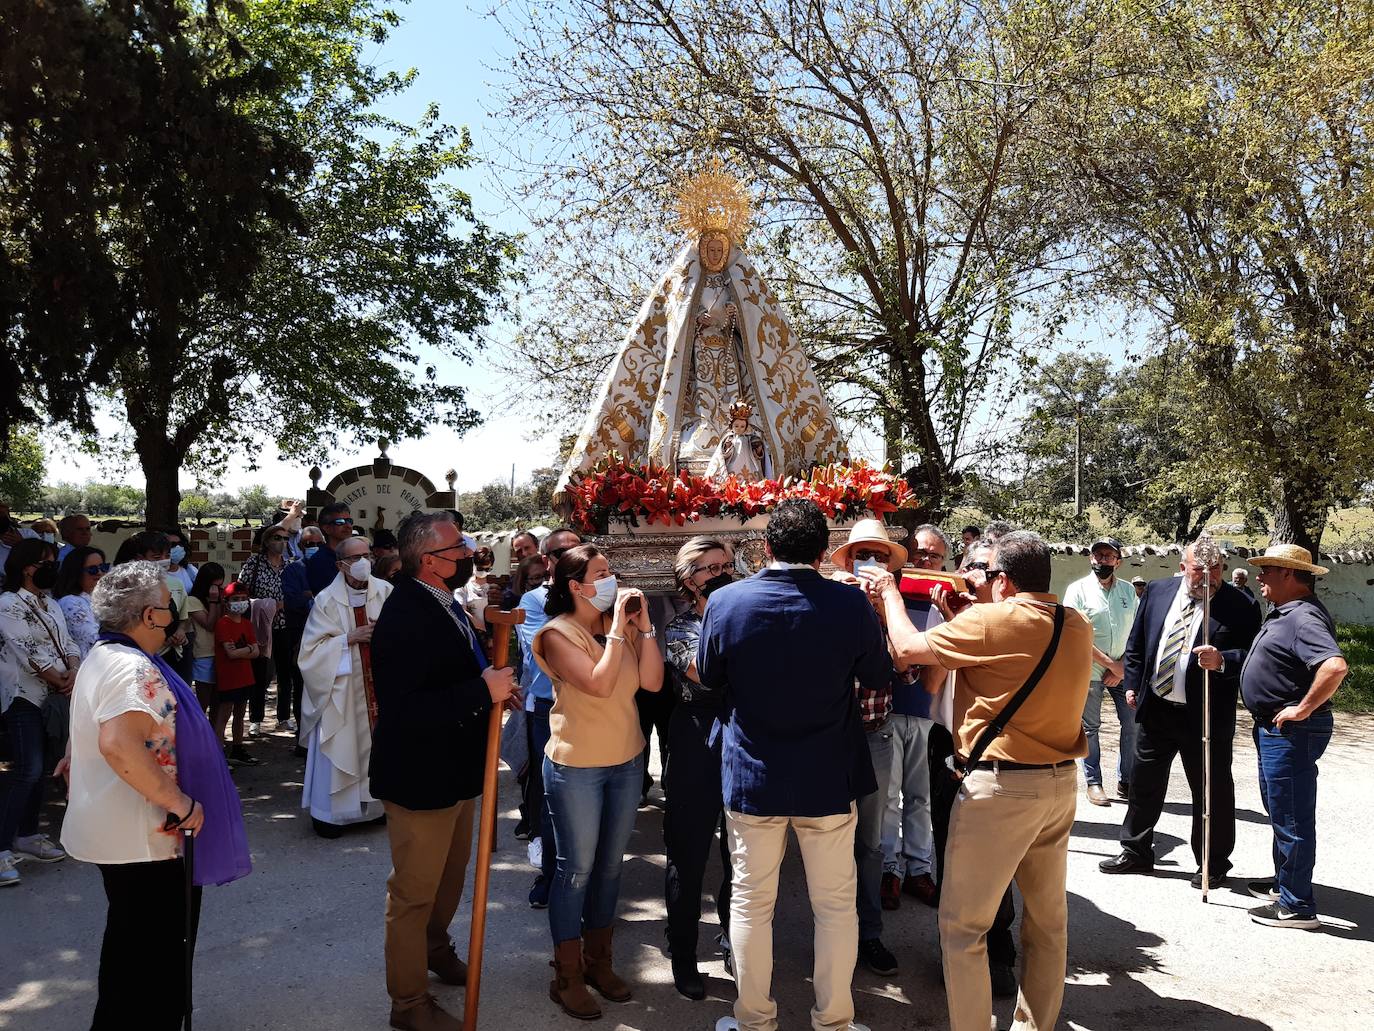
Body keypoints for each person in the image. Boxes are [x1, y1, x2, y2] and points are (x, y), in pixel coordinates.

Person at [865, 530, 1093, 1031]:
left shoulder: (992, 621)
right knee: (1048, 925)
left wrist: (887, 594)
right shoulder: (1073, 623)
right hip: (1057, 787)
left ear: (1004, 581)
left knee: (963, 927)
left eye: (988, 575)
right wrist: (961, 615)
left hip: (1000, 790)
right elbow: (1004, 659)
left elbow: (905, 649)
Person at [700, 498, 890, 1031]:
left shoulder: (727, 602)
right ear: (826, 551)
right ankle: (833, 1021)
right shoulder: (848, 606)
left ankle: (755, 1021)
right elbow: (878, 673)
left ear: (766, 548)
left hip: (752, 776)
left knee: (750, 904)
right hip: (827, 776)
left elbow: (710, 676)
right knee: (834, 907)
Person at [60, 560, 250, 1028]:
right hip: (148, 842)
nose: (174, 615)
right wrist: (180, 803)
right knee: (156, 965)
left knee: (130, 950)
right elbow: (118, 743)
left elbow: (95, 731)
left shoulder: (102, 655)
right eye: (169, 606)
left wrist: (74, 755)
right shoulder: (131, 669)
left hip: (123, 837)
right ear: (148, 616)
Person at [369, 511, 518, 1031]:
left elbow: (456, 671)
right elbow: (406, 708)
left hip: (455, 769)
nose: (470, 555)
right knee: (413, 893)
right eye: (460, 549)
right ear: (430, 560)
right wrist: (482, 691)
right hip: (420, 776)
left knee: (448, 881)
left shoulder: (444, 601)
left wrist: (493, 684)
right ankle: (408, 1004)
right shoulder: (406, 615)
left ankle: (436, 949)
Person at [531, 543, 662, 1019]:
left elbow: (651, 683)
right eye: (602, 573)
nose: (613, 580)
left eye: (612, 571)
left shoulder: (619, 629)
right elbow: (600, 684)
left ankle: (598, 960)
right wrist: (616, 635)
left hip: (626, 761)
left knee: (610, 867)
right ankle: (566, 974)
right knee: (575, 870)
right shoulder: (555, 634)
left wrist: (642, 627)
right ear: (575, 586)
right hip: (577, 766)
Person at [1099, 542, 1260, 888]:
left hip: (1204, 714)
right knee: (1144, 783)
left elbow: (1251, 654)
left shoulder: (1241, 604)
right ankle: (1136, 850)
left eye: (1215, 569)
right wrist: (1132, 682)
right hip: (1156, 706)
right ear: (1183, 567)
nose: (1208, 577)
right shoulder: (1158, 591)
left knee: (1211, 789)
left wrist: (1223, 661)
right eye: (1200, 569)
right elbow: (1138, 642)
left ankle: (1212, 863)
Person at [922, 539, 1022, 996]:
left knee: (994, 861)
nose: (974, 575)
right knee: (949, 849)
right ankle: (954, 952)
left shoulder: (1013, 623)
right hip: (947, 742)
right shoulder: (948, 614)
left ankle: (998, 952)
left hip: (993, 750)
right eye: (969, 566)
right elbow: (930, 683)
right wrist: (951, 628)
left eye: (985, 568)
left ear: (1002, 579)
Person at [1242, 545, 1348, 928]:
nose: (1259, 576)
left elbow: (1334, 666)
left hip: (1292, 730)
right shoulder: (1285, 614)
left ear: (1288, 574)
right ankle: (1284, 884)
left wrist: (1302, 709)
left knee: (1292, 815)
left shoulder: (1303, 618)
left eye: (1266, 569)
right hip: (1275, 728)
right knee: (1280, 809)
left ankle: (1297, 905)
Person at [827, 518, 907, 978]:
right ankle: (833, 935)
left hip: (875, 735)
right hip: (829, 738)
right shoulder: (834, 604)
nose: (870, 565)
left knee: (869, 844)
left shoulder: (894, 613)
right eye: (863, 556)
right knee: (827, 840)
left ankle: (869, 933)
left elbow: (908, 671)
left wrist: (884, 611)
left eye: (878, 556)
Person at [662, 536, 736, 999]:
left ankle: (735, 940)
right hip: (694, 740)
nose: (723, 574)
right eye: (711, 569)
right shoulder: (679, 628)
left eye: (727, 565)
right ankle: (684, 953)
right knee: (688, 854)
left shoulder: (745, 618)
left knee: (741, 853)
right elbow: (703, 673)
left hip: (741, 737)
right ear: (689, 580)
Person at [298, 534, 390, 837]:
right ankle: (332, 816)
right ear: (340, 565)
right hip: (341, 690)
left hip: (379, 687)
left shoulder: (387, 592)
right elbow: (310, 653)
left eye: (367, 555)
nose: (363, 562)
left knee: (380, 744)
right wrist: (349, 638)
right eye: (354, 558)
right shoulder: (325, 601)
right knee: (341, 741)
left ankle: (374, 807)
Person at [0, 539, 76, 885]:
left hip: (54, 697)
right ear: (27, 567)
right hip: (23, 697)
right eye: (46, 562)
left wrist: (74, 669)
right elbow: (26, 650)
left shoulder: (52, 603)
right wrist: (58, 678)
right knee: (26, 770)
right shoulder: (8, 604)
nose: (52, 568)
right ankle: (2, 848)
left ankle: (27, 836)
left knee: (42, 768)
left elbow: (69, 642)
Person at [880, 523, 947, 912]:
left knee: (920, 797)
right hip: (886, 709)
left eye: (933, 555)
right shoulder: (890, 595)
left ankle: (920, 868)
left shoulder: (947, 602)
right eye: (919, 553)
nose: (925, 560)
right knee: (888, 797)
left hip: (924, 710)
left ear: (943, 562)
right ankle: (890, 868)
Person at [517, 528, 582, 910]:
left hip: (596, 708)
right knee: (550, 794)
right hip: (550, 707)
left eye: (580, 550)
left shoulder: (600, 595)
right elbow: (552, 652)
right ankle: (551, 874)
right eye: (562, 552)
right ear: (548, 561)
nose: (573, 557)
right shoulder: (534, 599)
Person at [1063, 536, 1139, 805]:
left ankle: (1127, 781)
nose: (1102, 560)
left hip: (1123, 670)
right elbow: (1075, 634)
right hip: (1089, 669)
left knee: (1131, 724)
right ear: (1090, 559)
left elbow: (1137, 633)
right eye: (1097, 556)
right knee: (1091, 727)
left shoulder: (1129, 592)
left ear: (1118, 561)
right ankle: (1094, 782)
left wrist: (1122, 668)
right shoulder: (1078, 590)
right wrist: (1110, 664)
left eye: (1108, 556)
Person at [238, 524, 290, 734]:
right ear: (267, 541)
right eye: (277, 537)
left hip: (284, 626)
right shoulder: (254, 563)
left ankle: (284, 717)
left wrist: (283, 605)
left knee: (286, 674)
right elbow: (240, 592)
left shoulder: (291, 565)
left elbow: (296, 595)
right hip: (260, 628)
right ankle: (256, 719)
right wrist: (263, 604)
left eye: (286, 539)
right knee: (260, 674)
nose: (282, 542)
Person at [212, 581, 261, 766]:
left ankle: (238, 748)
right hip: (228, 676)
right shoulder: (223, 624)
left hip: (245, 676)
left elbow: (257, 652)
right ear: (227, 601)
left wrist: (246, 650)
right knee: (224, 714)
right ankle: (218, 753)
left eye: (243, 599)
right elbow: (231, 654)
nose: (240, 602)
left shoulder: (247, 624)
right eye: (235, 599)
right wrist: (248, 649)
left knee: (241, 713)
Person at [184, 564, 226, 714]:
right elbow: (209, 625)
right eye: (214, 585)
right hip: (204, 655)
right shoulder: (193, 600)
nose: (217, 589)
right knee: (203, 702)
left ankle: (214, 735)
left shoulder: (218, 598)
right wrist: (214, 602)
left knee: (218, 703)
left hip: (221, 653)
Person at [55, 546, 108, 659]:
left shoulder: (103, 599)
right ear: (76, 573)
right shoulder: (69, 602)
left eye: (103, 567)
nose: (99, 573)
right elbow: (94, 639)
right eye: (92, 569)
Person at [307, 502, 355, 593]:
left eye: (349, 521)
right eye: (340, 522)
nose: (348, 526)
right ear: (326, 528)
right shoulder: (319, 561)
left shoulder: (357, 556)